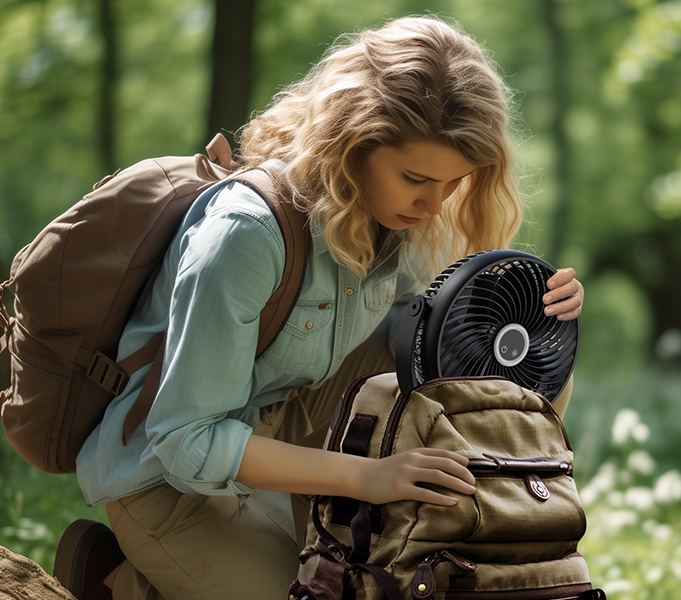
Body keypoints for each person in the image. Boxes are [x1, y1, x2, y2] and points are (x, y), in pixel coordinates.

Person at [57, 15, 586, 600]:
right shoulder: (246, 235)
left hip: (285, 437)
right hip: (167, 481)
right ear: (352, 144)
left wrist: (540, 330)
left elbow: (461, 391)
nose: (435, 205)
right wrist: (368, 476)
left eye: (453, 182)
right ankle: (117, 582)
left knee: (376, 583)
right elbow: (187, 441)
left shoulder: (400, 221)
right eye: (415, 177)